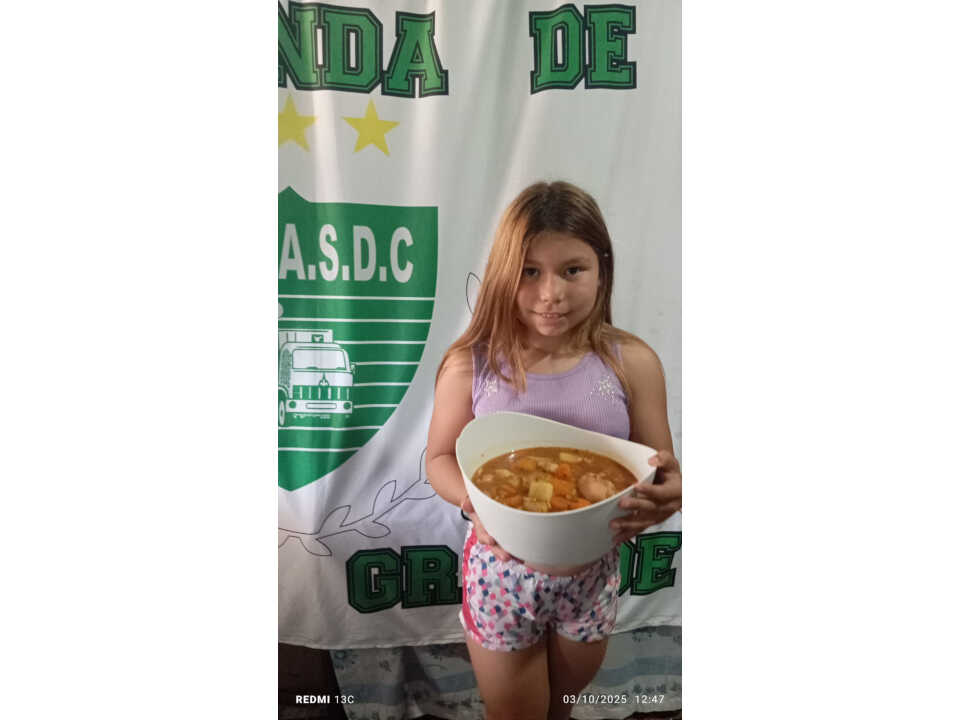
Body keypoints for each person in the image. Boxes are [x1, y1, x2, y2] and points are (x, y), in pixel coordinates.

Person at [425, 181, 681, 720]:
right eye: (529, 271)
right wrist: (477, 505)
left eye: (572, 270)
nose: (551, 294)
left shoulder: (632, 362)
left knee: (561, 711)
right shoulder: (471, 362)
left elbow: (660, 466)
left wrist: (670, 495)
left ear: (602, 269)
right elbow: (439, 458)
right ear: (503, 273)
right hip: (499, 574)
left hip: (592, 577)